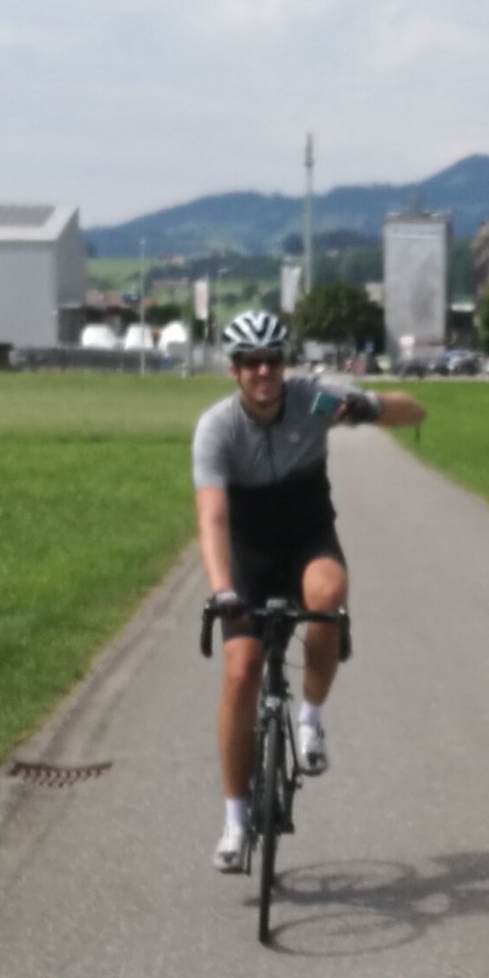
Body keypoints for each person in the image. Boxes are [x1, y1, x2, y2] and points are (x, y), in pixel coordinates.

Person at [192, 309, 426, 870]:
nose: (263, 371)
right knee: (241, 671)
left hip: (307, 540)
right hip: (248, 555)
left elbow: (414, 411)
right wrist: (223, 590)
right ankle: (234, 822)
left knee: (327, 601)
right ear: (234, 370)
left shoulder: (314, 401)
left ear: (284, 362)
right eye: (250, 362)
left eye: (272, 359)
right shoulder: (218, 428)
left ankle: (310, 721)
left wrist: (367, 408)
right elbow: (213, 519)